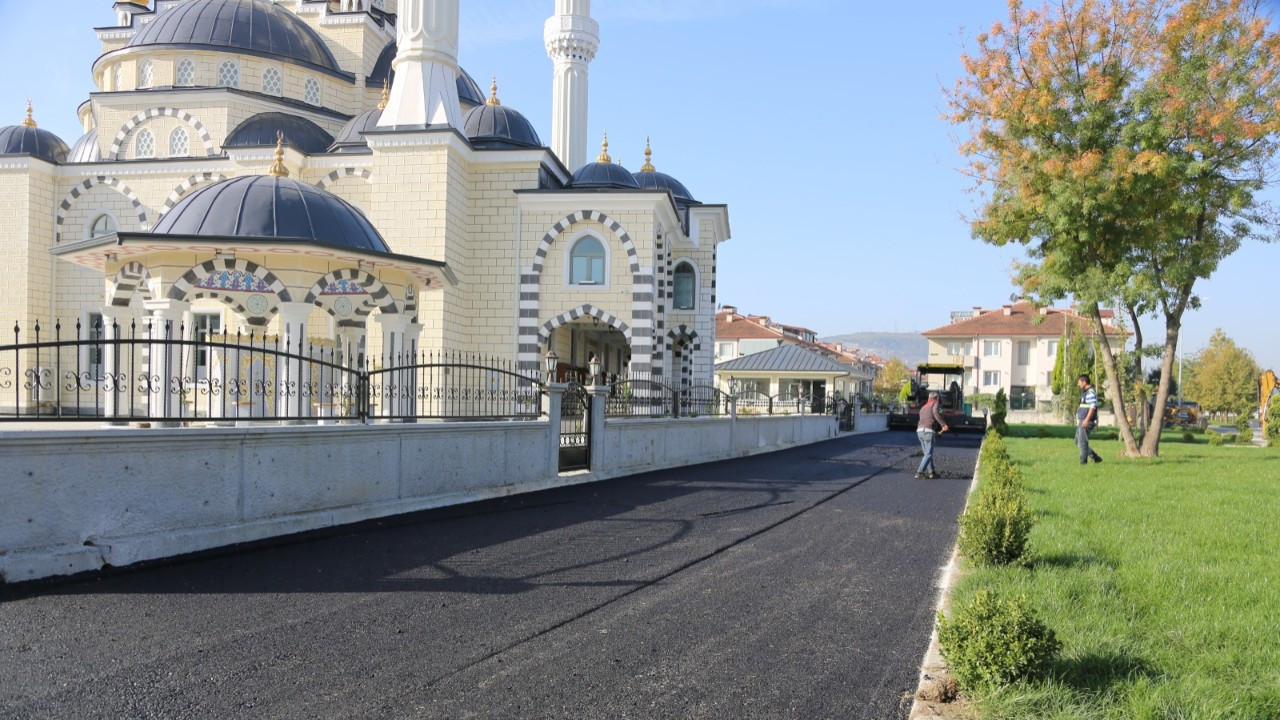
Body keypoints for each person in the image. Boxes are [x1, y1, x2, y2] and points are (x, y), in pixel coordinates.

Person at [916, 391, 949, 479]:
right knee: (928, 454)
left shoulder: (924, 407)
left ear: (929, 398)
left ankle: (931, 472)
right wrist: (943, 424)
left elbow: (938, 411)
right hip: (928, 431)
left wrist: (941, 412)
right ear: (937, 398)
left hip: (919, 431)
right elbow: (935, 411)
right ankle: (919, 472)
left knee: (926, 454)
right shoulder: (935, 403)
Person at [1076, 373, 1103, 465]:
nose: (1078, 384)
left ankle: (1083, 463)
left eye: (1079, 382)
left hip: (1086, 421)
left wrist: (1086, 420)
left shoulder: (1090, 392)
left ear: (1084, 382)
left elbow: (1092, 407)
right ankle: (1095, 458)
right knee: (1077, 441)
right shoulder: (1086, 392)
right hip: (1083, 421)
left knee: (1082, 443)